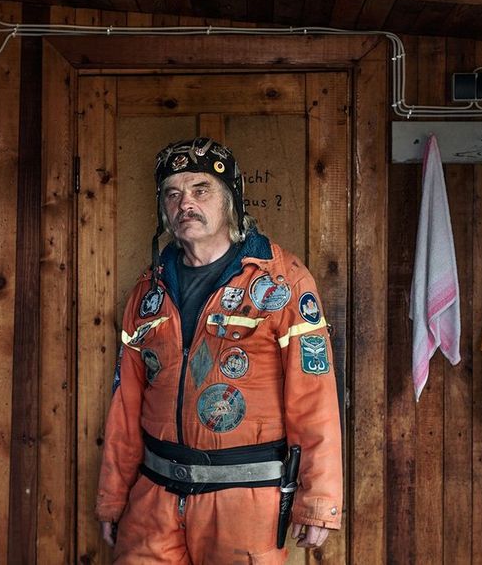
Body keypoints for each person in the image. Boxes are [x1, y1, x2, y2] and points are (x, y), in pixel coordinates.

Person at [95, 137, 343, 564]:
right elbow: (125, 404)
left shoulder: (283, 283)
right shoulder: (147, 292)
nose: (184, 203)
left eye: (200, 189)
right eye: (172, 193)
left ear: (231, 200)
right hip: (154, 498)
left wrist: (318, 499)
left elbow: (314, 396)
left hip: (246, 504)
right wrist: (113, 496)